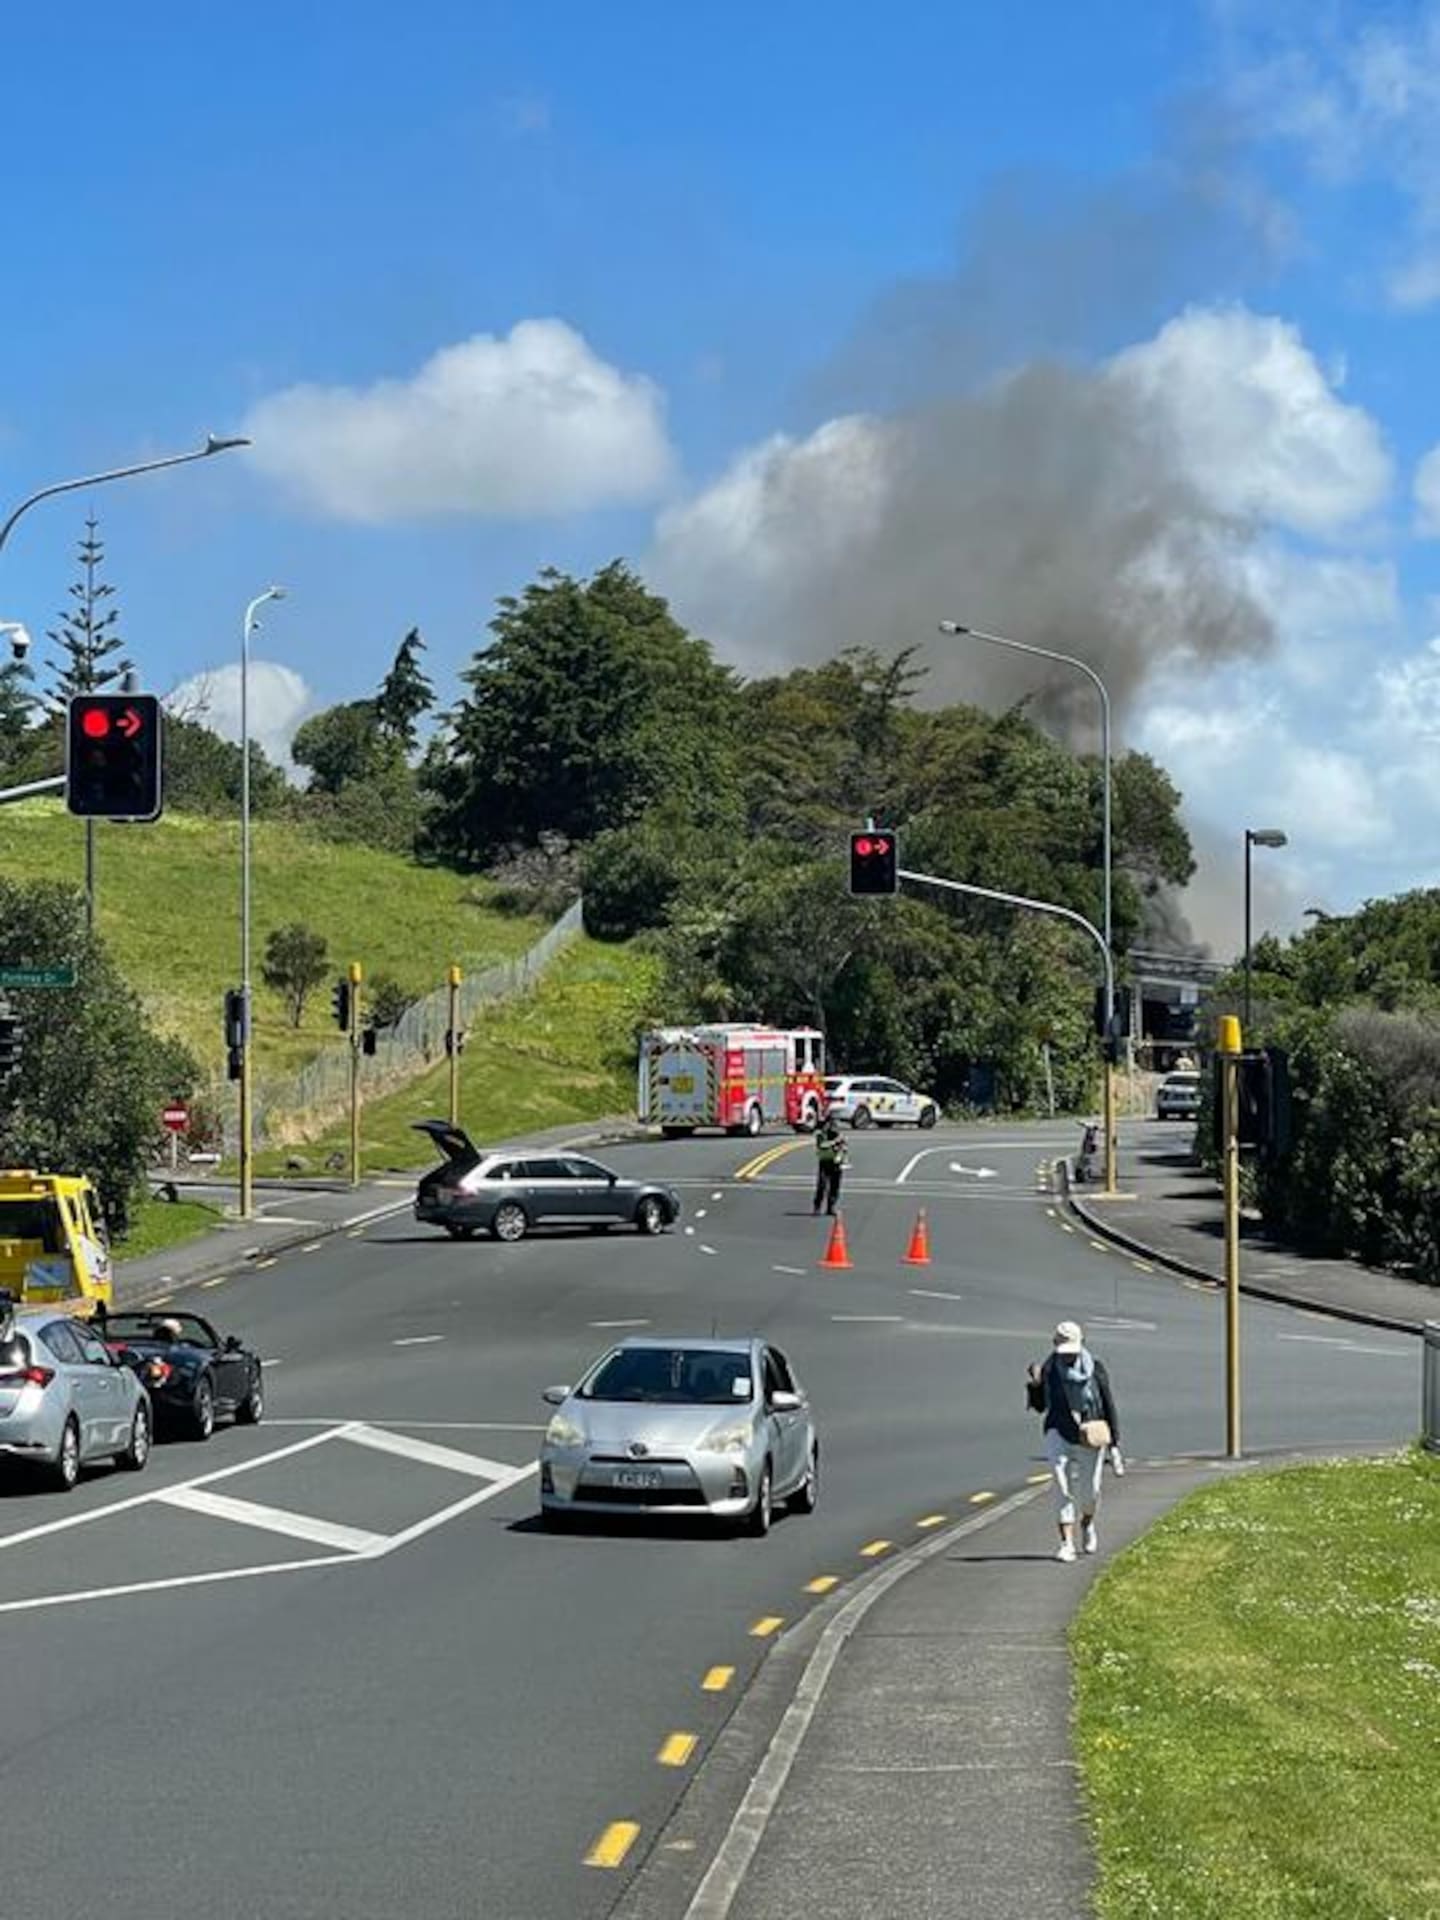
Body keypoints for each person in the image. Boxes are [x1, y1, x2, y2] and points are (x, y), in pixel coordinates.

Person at [1026, 1319, 1121, 1563]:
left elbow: (1108, 1405)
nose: (1067, 1358)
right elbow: (1040, 1407)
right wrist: (1036, 1384)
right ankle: (1066, 1543)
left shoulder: (1096, 1369)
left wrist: (1115, 1444)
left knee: (1090, 1491)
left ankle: (1087, 1523)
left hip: (1090, 1434)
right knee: (1062, 1485)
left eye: (1072, 1353)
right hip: (1058, 1431)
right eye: (1063, 1353)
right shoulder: (1049, 1369)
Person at [812, 1112, 848, 1216]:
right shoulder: (821, 1134)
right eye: (830, 1122)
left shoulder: (837, 1133)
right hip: (825, 1161)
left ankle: (831, 1207)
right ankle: (817, 1207)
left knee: (835, 1186)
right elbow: (822, 1145)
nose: (832, 1125)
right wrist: (834, 1142)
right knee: (822, 1185)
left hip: (836, 1162)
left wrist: (843, 1150)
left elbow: (844, 1145)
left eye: (834, 1122)